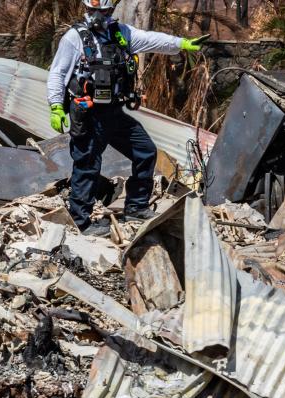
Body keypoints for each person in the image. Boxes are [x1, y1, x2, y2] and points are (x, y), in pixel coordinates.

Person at [48, 0, 206, 236]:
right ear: (86, 10)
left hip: (114, 112)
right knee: (88, 165)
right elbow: (57, 73)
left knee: (145, 151)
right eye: (92, 11)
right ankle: (81, 222)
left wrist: (181, 43)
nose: (97, 16)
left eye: (102, 11)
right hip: (88, 114)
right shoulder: (74, 38)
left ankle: (136, 206)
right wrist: (56, 107)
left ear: (110, 11)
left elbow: (152, 39)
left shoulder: (121, 34)